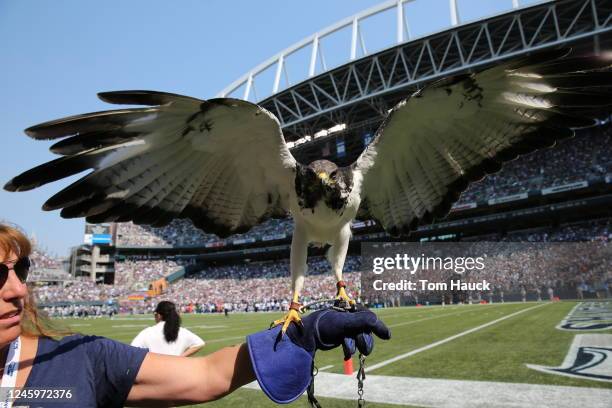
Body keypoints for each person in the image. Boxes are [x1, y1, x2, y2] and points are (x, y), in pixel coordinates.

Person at [0, 224, 390, 407]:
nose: (18, 289)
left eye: (22, 270)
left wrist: (302, 335)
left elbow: (207, 376)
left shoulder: (79, 358)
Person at [131, 301, 205, 357]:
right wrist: (181, 357)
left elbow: (132, 350)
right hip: (175, 372)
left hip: (154, 372)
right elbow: (200, 343)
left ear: (159, 315)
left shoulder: (147, 332)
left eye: (155, 314)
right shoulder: (182, 331)